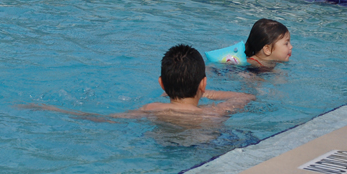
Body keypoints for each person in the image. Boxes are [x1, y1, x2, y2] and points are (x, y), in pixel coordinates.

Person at [20, 44, 254, 123]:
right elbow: (247, 97)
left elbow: (105, 119)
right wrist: (205, 93)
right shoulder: (214, 114)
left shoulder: (153, 109)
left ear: (162, 84)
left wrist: (50, 109)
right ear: (203, 84)